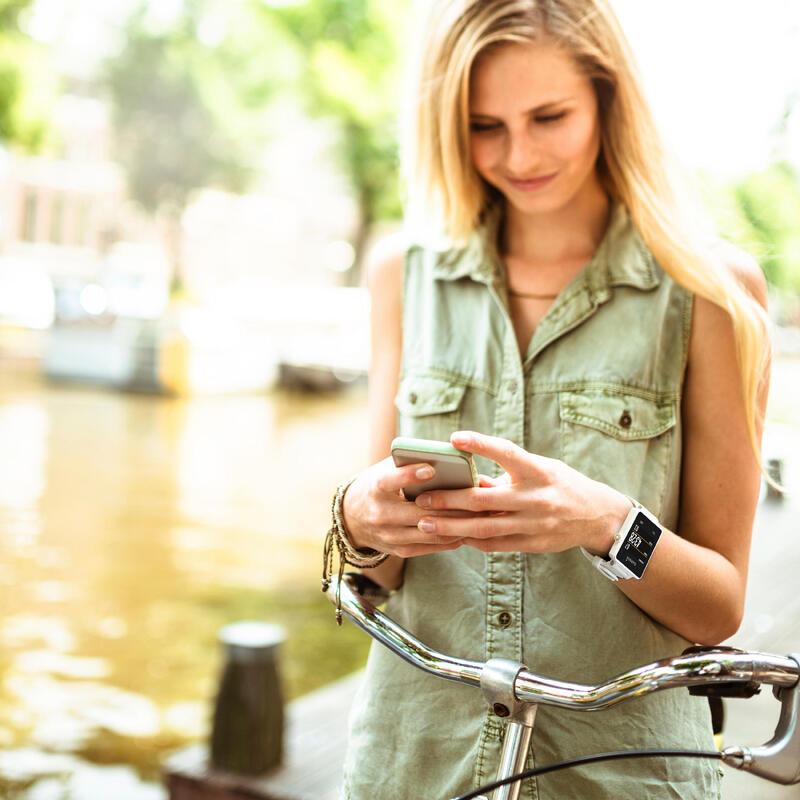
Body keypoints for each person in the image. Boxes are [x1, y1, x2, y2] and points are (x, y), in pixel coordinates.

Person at [324, 1, 771, 798]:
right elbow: (381, 571)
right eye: (483, 125)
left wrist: (606, 523)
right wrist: (358, 517)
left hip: (618, 776)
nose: (518, 154)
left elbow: (718, 607)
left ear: (607, 97)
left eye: (549, 116)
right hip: (413, 765)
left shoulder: (712, 292)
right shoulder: (402, 272)